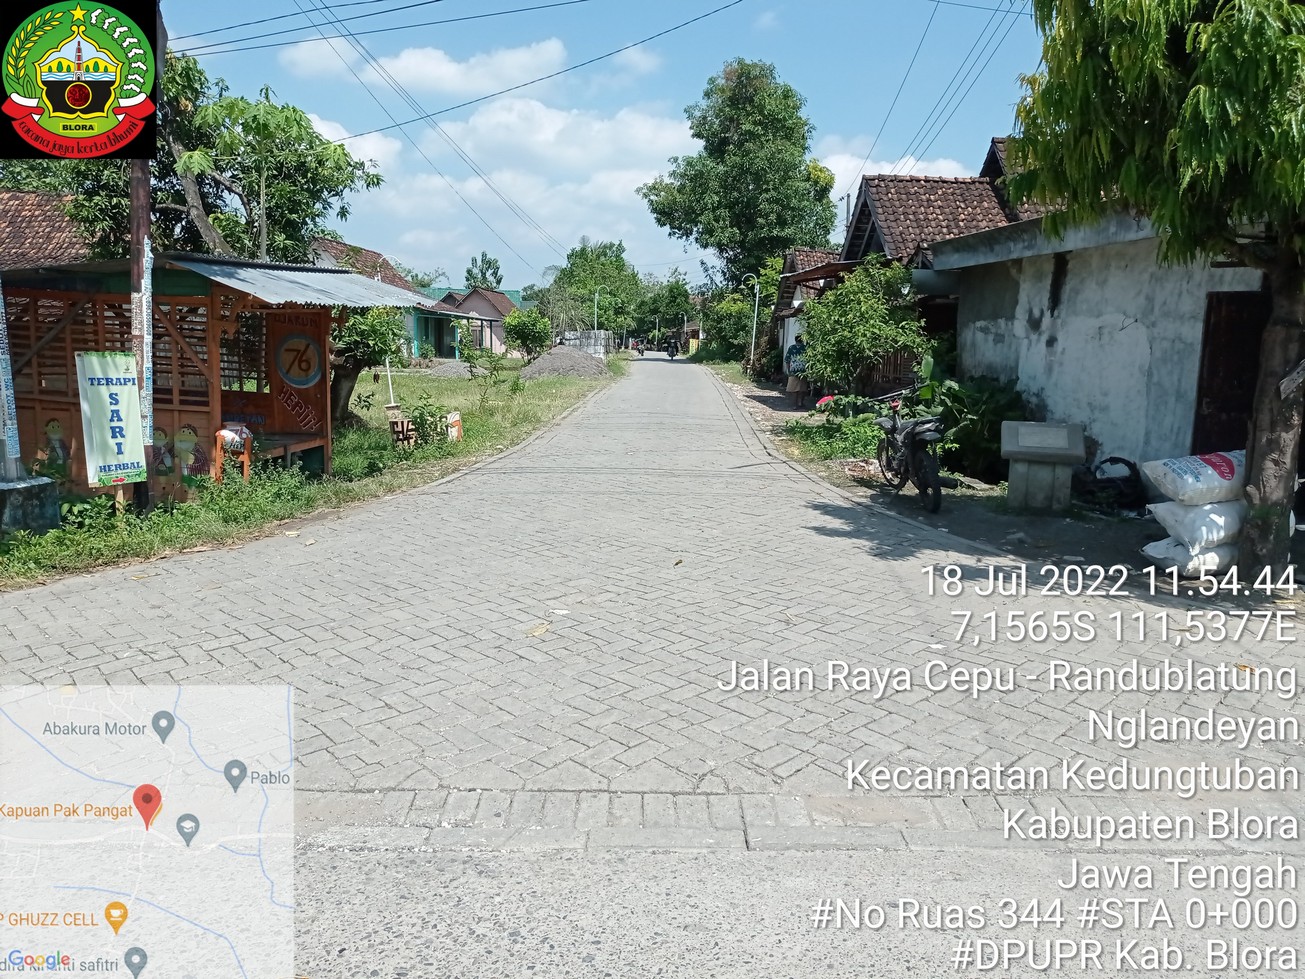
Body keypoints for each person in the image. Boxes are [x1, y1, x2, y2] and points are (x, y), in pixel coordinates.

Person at [784, 333, 810, 408]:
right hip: (803, 372)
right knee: (802, 389)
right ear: (803, 340)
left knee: (793, 390)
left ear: (795, 340)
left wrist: (788, 370)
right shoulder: (806, 348)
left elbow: (787, 360)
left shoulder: (791, 348)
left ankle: (794, 405)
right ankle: (800, 403)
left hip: (793, 371)